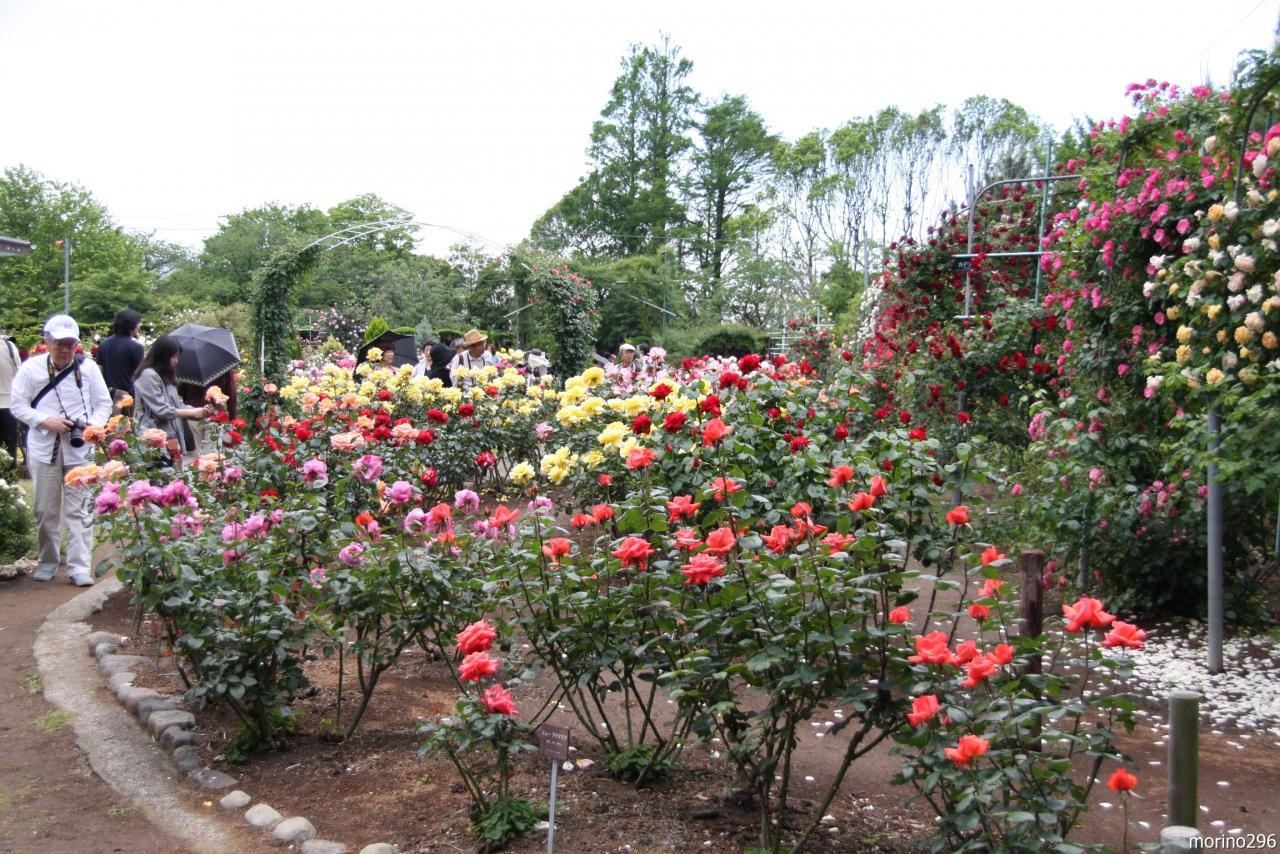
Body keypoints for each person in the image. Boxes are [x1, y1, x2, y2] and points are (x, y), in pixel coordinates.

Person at [9, 314, 112, 586]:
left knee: (80, 510)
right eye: (59, 343)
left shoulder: (88, 368)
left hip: (80, 450)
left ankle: (79, 567)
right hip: (44, 448)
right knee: (46, 510)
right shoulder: (31, 369)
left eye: (70, 344)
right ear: (47, 341)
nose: (65, 350)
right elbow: (18, 405)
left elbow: (103, 403)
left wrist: (92, 426)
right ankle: (47, 561)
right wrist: (45, 421)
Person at [133, 336, 211, 468]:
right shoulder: (148, 375)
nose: (176, 361)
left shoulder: (166, 375)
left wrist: (200, 411)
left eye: (178, 357)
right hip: (151, 438)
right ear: (162, 355)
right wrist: (191, 413)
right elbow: (162, 410)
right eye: (173, 356)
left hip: (168, 437)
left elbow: (177, 404)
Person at [96, 308, 144, 399]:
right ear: (132, 325)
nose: (139, 326)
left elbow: (100, 369)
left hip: (108, 395)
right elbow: (140, 375)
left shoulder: (104, 344)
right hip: (128, 397)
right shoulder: (136, 347)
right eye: (138, 323)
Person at [0, 323, 20, 470]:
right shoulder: (9, 346)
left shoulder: (9, 346)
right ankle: (9, 477)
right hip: (8, 404)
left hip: (8, 403)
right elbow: (18, 373)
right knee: (9, 446)